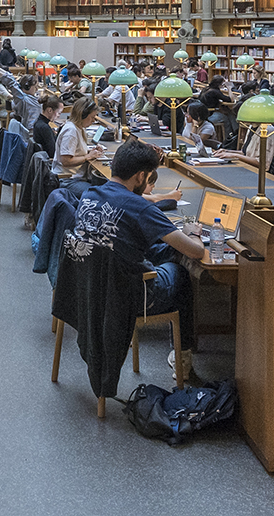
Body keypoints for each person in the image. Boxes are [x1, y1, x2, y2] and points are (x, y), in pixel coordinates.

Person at [64, 139, 206, 372]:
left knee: (165, 251)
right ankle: (183, 357)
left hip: (86, 287)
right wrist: (193, 233)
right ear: (141, 177)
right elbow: (196, 251)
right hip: (125, 297)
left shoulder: (90, 194)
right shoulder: (141, 208)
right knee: (181, 273)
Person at [55, 97, 104, 176]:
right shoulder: (71, 132)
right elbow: (65, 161)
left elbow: (76, 152)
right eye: (92, 117)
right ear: (83, 115)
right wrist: (87, 156)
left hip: (76, 176)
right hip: (67, 178)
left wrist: (92, 152)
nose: (93, 121)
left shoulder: (80, 128)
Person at [31, 94, 64, 158]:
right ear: (50, 110)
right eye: (59, 113)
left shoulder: (39, 122)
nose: (59, 116)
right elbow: (53, 153)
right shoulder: (45, 127)